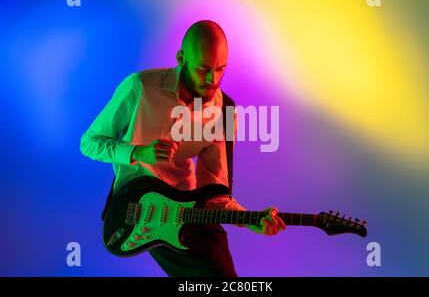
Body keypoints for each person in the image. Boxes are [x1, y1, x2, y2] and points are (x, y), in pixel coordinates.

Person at [80, 20, 286, 277]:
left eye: (221, 69)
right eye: (203, 70)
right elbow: (89, 142)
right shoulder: (140, 87)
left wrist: (250, 220)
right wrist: (136, 153)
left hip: (190, 207)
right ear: (181, 58)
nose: (213, 80)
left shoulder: (223, 112)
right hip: (141, 208)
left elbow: (216, 193)